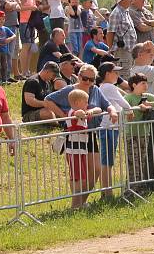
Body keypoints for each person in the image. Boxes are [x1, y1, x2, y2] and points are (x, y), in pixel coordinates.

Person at [44, 64, 119, 204]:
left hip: (90, 135)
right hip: (74, 136)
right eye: (85, 79)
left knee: (95, 170)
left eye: (92, 79)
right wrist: (65, 116)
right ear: (79, 76)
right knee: (78, 173)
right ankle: (77, 203)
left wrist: (112, 111)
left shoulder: (95, 90)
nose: (88, 82)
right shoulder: (69, 90)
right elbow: (47, 100)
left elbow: (106, 104)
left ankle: (81, 201)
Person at [122, 72, 154, 186]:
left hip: (144, 134)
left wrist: (150, 103)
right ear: (134, 85)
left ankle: (141, 186)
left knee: (142, 161)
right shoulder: (128, 97)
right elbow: (123, 109)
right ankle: (132, 187)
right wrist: (137, 108)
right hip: (131, 134)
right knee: (133, 161)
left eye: (146, 83)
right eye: (142, 83)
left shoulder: (146, 96)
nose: (145, 85)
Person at [63, 89, 102, 209]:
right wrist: (84, 112)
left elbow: (99, 110)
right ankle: (75, 206)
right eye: (85, 102)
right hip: (74, 150)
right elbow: (78, 113)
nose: (87, 104)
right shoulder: (72, 112)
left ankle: (79, 204)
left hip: (81, 149)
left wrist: (90, 111)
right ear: (77, 102)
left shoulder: (84, 112)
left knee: (82, 177)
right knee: (77, 178)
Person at [96, 61, 127, 199]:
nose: (117, 75)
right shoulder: (109, 87)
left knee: (107, 160)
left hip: (108, 127)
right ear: (107, 74)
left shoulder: (104, 86)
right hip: (108, 127)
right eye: (115, 72)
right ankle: (106, 193)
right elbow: (125, 104)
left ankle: (106, 192)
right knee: (107, 161)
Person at [106, 0, 137, 76]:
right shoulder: (116, 13)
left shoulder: (125, 11)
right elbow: (110, 33)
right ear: (122, 0)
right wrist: (111, 49)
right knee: (124, 74)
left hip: (129, 50)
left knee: (129, 73)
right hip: (122, 51)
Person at [17, 0, 41, 77]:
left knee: (31, 46)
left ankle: (27, 70)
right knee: (25, 46)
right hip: (23, 22)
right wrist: (31, 7)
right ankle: (23, 71)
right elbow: (19, 8)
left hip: (31, 23)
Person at [0, 10, 15, 83]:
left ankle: (4, 79)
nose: (1, 21)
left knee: (4, 65)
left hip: (4, 50)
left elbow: (14, 35)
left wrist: (9, 39)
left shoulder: (6, 29)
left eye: (3, 19)